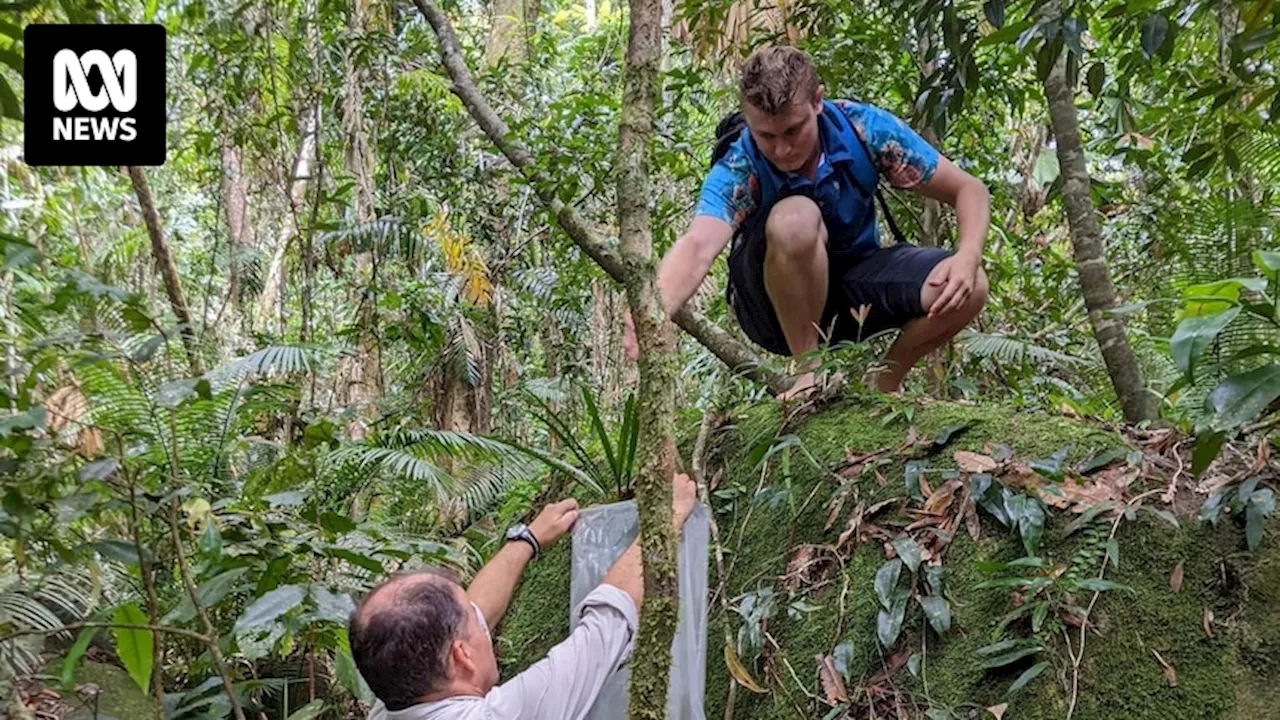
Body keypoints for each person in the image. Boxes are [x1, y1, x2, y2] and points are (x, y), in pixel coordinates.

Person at [623, 46, 991, 400]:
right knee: (796, 217)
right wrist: (652, 311)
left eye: (792, 131)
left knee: (970, 285)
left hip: (854, 285)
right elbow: (698, 244)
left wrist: (968, 254)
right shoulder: (740, 164)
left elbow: (969, 190)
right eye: (766, 136)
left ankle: (884, 379)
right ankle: (807, 373)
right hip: (771, 309)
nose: (782, 150)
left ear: (817, 101)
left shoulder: (863, 127)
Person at [348, 472, 699, 720]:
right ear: (462, 656)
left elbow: (475, 613)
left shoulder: (393, 702)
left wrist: (528, 539)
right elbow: (604, 627)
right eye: (473, 620)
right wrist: (665, 521)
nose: (480, 615)